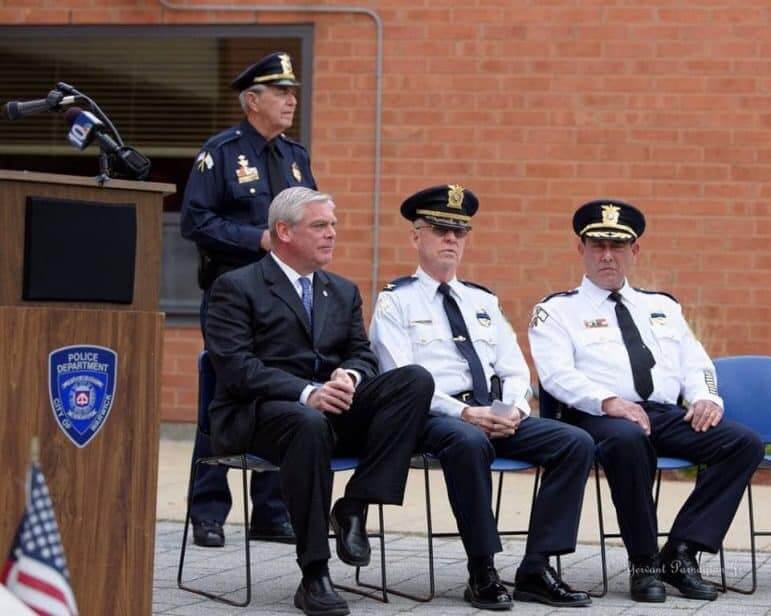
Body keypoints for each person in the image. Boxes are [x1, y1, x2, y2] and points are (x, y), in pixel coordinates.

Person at [205, 186, 433, 616]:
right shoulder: (236, 287)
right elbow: (236, 368)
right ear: (284, 231)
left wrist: (350, 374)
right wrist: (306, 392)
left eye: (333, 225)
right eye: (320, 226)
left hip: (330, 410)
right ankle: (314, 574)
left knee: (414, 381)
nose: (332, 234)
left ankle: (354, 506)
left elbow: (362, 354)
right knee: (305, 424)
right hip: (259, 413)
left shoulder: (341, 291)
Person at [369, 184, 595, 610]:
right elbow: (401, 380)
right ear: (416, 236)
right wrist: (466, 413)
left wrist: (512, 408)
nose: (452, 239)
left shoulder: (483, 300)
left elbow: (513, 368)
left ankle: (536, 567)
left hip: (492, 411)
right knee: (468, 442)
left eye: (460, 232)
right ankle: (482, 569)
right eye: (440, 230)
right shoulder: (394, 303)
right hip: (434, 416)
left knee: (574, 442)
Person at [528, 199, 764, 603]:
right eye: (597, 245)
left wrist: (706, 397)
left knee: (743, 443)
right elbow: (555, 376)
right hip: (595, 416)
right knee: (627, 440)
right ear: (580, 249)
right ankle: (644, 565)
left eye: (617, 247)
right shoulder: (556, 311)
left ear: (633, 251)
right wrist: (608, 402)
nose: (607, 256)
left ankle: (682, 552)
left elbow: (696, 361)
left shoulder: (663, 307)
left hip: (662, 413)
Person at [180, 51, 317, 547]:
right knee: (223, 398)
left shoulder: (296, 158)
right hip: (232, 296)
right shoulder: (221, 151)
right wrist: (255, 240)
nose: (291, 100)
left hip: (285, 297)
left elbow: (311, 219)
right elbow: (195, 221)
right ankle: (209, 511)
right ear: (251, 100)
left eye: (293, 92)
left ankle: (272, 512)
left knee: (283, 392)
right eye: (281, 93)